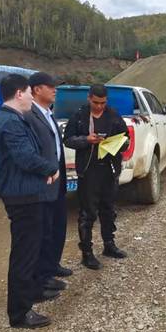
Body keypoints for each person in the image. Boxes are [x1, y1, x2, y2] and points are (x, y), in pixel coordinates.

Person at [0, 74, 60, 329]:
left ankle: (30, 294)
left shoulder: (13, 118)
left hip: (26, 193)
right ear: (19, 93)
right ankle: (19, 313)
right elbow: (25, 157)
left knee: (30, 248)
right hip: (22, 198)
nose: (32, 97)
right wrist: (50, 169)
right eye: (30, 92)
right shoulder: (10, 122)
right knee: (25, 254)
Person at [63, 84, 128, 270]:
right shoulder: (79, 116)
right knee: (88, 213)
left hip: (109, 169)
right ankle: (87, 253)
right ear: (89, 98)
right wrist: (86, 140)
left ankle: (109, 244)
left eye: (103, 103)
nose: (99, 106)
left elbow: (126, 139)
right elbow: (68, 140)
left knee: (108, 209)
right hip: (88, 170)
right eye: (96, 102)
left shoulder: (113, 115)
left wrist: (117, 143)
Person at [24, 72, 72, 294]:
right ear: (36, 90)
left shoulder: (48, 113)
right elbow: (32, 152)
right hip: (43, 182)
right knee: (43, 231)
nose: (55, 90)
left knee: (57, 226)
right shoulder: (29, 115)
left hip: (57, 180)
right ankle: (42, 277)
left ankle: (52, 265)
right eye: (50, 86)